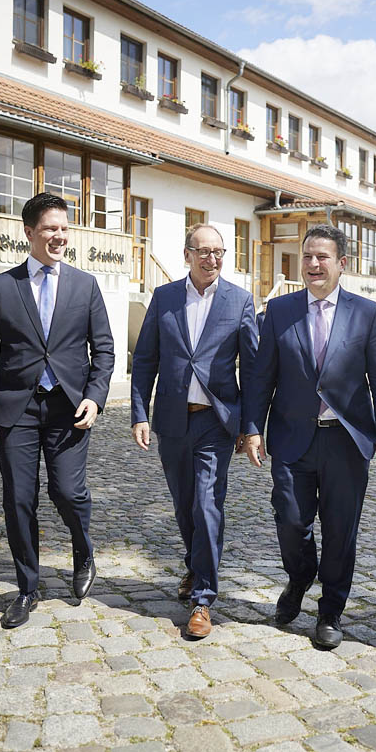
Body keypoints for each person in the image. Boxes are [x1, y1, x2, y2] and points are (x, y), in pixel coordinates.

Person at [242, 223, 376, 650]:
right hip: (293, 438)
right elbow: (261, 377)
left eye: (322, 257)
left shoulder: (366, 313)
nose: (313, 264)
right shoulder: (278, 311)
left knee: (340, 529)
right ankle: (299, 576)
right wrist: (252, 427)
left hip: (346, 441)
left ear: (341, 263)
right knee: (290, 520)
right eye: (308, 256)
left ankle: (330, 610)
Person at [0, 192, 115, 628]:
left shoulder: (85, 286)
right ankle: (27, 588)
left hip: (69, 409)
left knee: (67, 493)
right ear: (29, 233)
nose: (59, 236)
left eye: (65, 228)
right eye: (50, 228)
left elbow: (103, 350)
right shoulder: (1, 287)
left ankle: (83, 550)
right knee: (19, 500)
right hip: (15, 411)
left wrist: (95, 395)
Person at [130, 224, 258, 639]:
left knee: (207, 503)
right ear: (187, 255)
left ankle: (203, 598)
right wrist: (139, 414)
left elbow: (253, 371)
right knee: (185, 505)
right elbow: (145, 358)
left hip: (215, 421)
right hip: (172, 419)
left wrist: (251, 426)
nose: (212, 259)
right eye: (203, 251)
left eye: (219, 252)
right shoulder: (165, 297)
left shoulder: (239, 301)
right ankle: (195, 563)